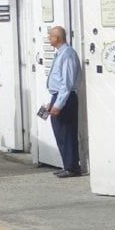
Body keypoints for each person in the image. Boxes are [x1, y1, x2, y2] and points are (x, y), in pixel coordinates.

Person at [44, 26, 85, 179]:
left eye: (51, 36)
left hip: (66, 99)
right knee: (60, 133)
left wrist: (59, 104)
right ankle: (67, 164)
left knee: (67, 133)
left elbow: (66, 83)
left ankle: (73, 167)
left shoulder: (67, 55)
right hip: (58, 96)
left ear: (57, 38)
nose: (49, 39)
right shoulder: (60, 53)